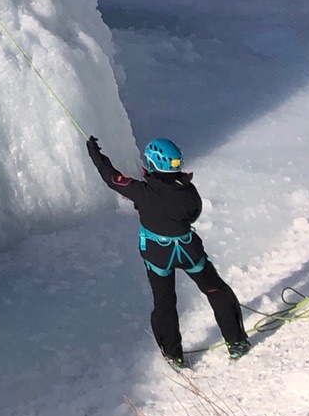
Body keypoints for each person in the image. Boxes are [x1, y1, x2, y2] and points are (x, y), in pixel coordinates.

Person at [87, 135, 252, 367]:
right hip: (188, 251)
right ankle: (236, 343)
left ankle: (173, 355)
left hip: (157, 254)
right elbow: (194, 213)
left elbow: (112, 178)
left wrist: (95, 153)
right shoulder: (188, 192)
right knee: (217, 291)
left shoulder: (140, 191)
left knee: (164, 303)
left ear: (152, 165)